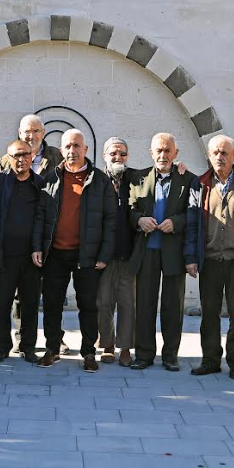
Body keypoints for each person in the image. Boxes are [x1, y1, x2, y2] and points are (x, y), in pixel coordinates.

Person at [34, 129, 117, 372]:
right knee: (51, 303)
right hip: (55, 254)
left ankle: (89, 351)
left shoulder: (100, 181)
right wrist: (38, 247)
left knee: (88, 305)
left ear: (86, 150)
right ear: (61, 150)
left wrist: (104, 255)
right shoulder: (50, 178)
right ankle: (52, 348)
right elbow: (40, 216)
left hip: (86, 255)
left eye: (77, 146)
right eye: (68, 146)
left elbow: (111, 221)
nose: (72, 151)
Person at [189, 135, 234, 380]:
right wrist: (191, 257)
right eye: (215, 153)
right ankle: (210, 360)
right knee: (209, 314)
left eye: (224, 153)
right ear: (209, 156)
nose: (219, 157)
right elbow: (192, 224)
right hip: (209, 261)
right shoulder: (198, 184)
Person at [128, 134, 196, 372]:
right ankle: (144, 355)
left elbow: (194, 213)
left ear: (175, 153)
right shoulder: (137, 178)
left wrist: (176, 223)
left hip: (173, 253)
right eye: (159, 150)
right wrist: (139, 220)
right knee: (144, 305)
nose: (163, 155)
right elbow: (129, 208)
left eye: (168, 150)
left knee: (172, 306)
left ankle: (170, 355)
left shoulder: (189, 180)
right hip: (146, 251)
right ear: (151, 152)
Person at [0, 139, 44, 363]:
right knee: (1, 304)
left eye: (25, 155)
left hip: (32, 256)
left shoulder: (41, 184)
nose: (21, 160)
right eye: (16, 156)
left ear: (32, 156)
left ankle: (28, 346)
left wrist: (39, 247)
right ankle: (0, 347)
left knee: (30, 304)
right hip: (3, 256)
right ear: (8, 158)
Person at [97, 137, 137, 366]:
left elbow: (164, 172)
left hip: (129, 254)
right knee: (103, 302)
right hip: (104, 255)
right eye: (113, 153)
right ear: (105, 155)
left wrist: (181, 168)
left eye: (122, 153)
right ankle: (107, 345)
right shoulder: (97, 179)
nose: (118, 157)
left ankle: (125, 347)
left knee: (127, 303)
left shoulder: (135, 179)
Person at [0, 114, 62, 180]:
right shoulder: (6, 160)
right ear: (20, 133)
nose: (31, 136)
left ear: (43, 133)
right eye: (27, 131)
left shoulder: (57, 156)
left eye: (36, 131)